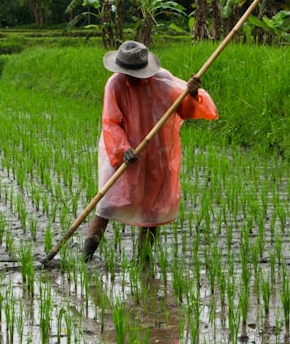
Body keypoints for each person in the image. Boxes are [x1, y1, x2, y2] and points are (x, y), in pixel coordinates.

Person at [82, 40, 218, 263]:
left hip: (157, 152)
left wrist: (192, 94)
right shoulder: (115, 84)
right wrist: (124, 149)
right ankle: (85, 257)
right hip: (122, 151)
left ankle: (142, 259)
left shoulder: (162, 81)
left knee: (152, 209)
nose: (130, 78)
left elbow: (184, 109)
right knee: (107, 204)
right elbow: (111, 122)